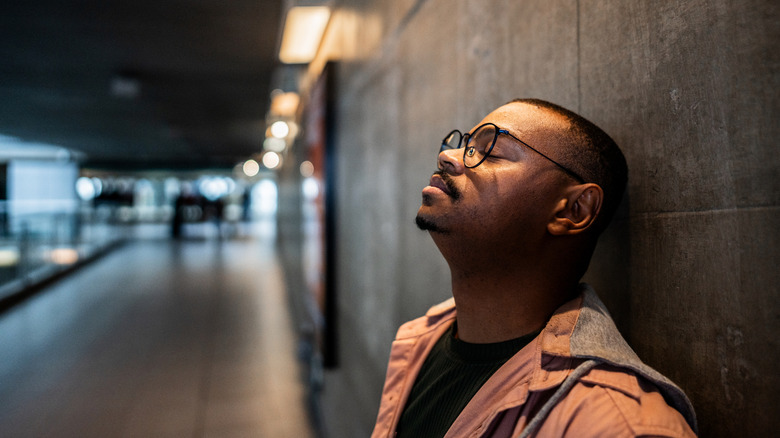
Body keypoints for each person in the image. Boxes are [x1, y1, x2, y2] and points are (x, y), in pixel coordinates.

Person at [371, 99, 697, 437]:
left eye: (491, 151)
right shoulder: (419, 343)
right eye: (464, 144)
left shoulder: (614, 423)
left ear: (573, 209)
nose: (448, 156)